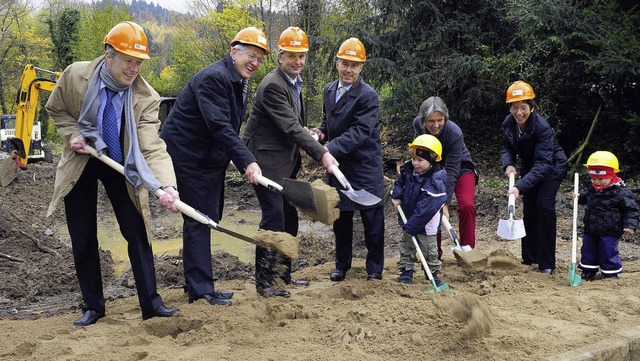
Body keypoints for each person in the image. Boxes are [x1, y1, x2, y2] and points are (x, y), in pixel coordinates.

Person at [45, 21, 181, 326]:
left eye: (139, 63)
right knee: (83, 236)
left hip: (122, 162)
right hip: (83, 157)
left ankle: (151, 304)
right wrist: (72, 135)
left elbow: (151, 146)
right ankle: (93, 306)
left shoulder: (146, 97)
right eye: (128, 61)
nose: (134, 69)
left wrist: (167, 186)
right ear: (109, 56)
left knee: (137, 232)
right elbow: (57, 109)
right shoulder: (76, 76)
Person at [159, 27, 269, 306]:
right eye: (251, 56)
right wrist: (247, 161)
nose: (255, 63)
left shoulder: (236, 80)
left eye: (259, 59)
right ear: (234, 52)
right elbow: (219, 126)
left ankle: (197, 283)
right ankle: (201, 291)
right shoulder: (213, 78)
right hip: (189, 157)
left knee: (209, 216)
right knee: (199, 219)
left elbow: (229, 126)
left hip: (208, 159)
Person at [243, 27, 338, 297]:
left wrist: (308, 133)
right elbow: (290, 128)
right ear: (281, 56)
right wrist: (322, 153)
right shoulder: (273, 85)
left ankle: (283, 276)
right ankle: (264, 282)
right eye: (292, 56)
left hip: (284, 163)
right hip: (264, 162)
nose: (298, 62)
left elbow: (294, 125)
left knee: (289, 219)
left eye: (302, 57)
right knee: (273, 217)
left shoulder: (293, 83)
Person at [312, 38, 385, 282]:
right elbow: (328, 121)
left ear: (361, 67)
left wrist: (328, 149)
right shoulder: (329, 90)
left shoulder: (368, 96)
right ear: (337, 63)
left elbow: (360, 131)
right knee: (341, 220)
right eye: (345, 64)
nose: (349, 70)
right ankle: (342, 266)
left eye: (354, 65)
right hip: (337, 166)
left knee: (372, 221)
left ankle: (374, 269)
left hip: (364, 166)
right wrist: (319, 132)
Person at [501, 80, 568, 274]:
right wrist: (509, 163)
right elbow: (507, 146)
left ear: (531, 107)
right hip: (531, 167)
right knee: (530, 208)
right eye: (515, 108)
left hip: (552, 167)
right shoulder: (508, 124)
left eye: (523, 107)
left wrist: (519, 187)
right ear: (510, 108)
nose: (519, 112)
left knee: (544, 206)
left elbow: (543, 165)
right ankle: (530, 257)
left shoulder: (542, 127)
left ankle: (546, 264)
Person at [412, 96, 477, 259]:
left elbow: (452, 170)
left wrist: (445, 202)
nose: (435, 125)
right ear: (423, 120)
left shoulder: (454, 132)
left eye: (439, 120)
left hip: (460, 167)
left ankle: (468, 250)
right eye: (431, 121)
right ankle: (435, 254)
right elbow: (420, 153)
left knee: (467, 205)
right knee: (433, 208)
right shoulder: (417, 125)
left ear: (445, 118)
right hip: (434, 168)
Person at [391, 134, 447, 285]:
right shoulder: (408, 169)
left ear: (433, 159)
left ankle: (433, 274)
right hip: (408, 216)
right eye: (414, 159)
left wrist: (412, 227)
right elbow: (399, 182)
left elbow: (426, 210)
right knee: (407, 246)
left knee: (429, 249)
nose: (415, 163)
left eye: (420, 160)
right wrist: (396, 195)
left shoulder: (436, 181)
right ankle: (406, 271)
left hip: (425, 223)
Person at [578, 151, 639, 280]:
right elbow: (587, 198)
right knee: (588, 250)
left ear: (611, 175)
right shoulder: (592, 189)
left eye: (600, 179)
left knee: (608, 251)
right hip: (591, 228)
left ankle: (610, 272)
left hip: (610, 229)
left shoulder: (621, 192)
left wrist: (630, 225)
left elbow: (631, 210)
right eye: (593, 178)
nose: (597, 182)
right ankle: (589, 270)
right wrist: (578, 197)